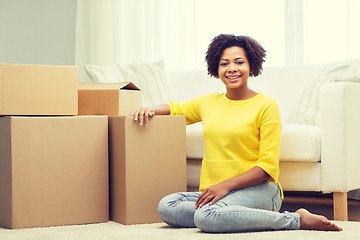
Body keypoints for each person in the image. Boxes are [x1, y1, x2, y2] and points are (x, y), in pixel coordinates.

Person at [131, 34, 342, 233]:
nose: (232, 68)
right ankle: (229, 215)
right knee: (167, 206)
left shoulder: (266, 105)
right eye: (224, 63)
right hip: (216, 193)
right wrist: (149, 108)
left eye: (239, 62)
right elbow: (174, 107)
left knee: (205, 217)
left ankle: (295, 219)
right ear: (217, 68)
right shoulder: (207, 102)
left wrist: (224, 187)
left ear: (251, 66)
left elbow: (267, 167)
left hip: (260, 190)